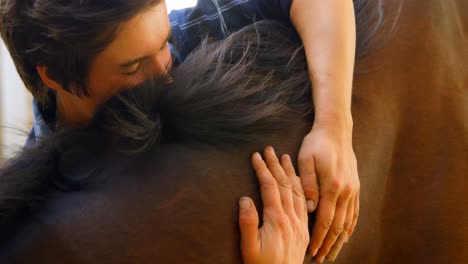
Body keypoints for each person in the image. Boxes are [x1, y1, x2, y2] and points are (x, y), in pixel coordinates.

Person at [0, 0, 360, 262]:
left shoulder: (179, 36)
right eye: (134, 67)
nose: (165, 71)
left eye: (164, 43)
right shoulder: (38, 225)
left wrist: (334, 127)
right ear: (56, 76)